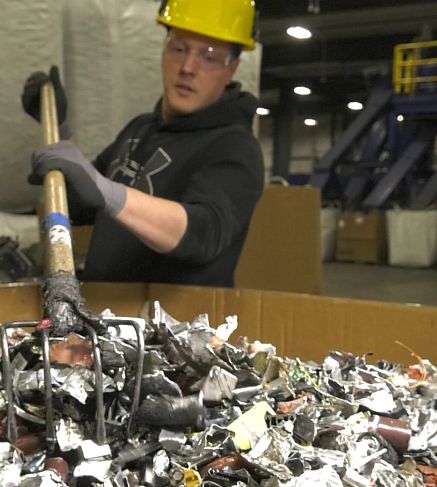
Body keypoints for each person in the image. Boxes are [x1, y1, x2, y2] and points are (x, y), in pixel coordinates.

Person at [22, 0, 264, 288]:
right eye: (179, 48)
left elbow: (202, 233)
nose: (187, 67)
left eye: (209, 57)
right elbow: (83, 201)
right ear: (163, 51)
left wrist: (107, 191)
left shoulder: (235, 147)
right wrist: (58, 129)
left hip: (177, 328)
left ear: (232, 69)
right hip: (108, 320)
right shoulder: (140, 129)